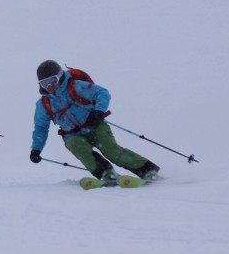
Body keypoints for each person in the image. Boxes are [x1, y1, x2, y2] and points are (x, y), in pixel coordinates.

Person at [30, 60, 160, 181]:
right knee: (77, 146)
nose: (49, 86)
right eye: (44, 83)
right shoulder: (44, 104)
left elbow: (102, 93)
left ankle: (146, 170)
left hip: (95, 125)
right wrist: (36, 149)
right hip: (72, 134)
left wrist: (99, 111)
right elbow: (40, 128)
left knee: (111, 150)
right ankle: (106, 173)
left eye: (52, 81)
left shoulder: (75, 86)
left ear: (60, 76)